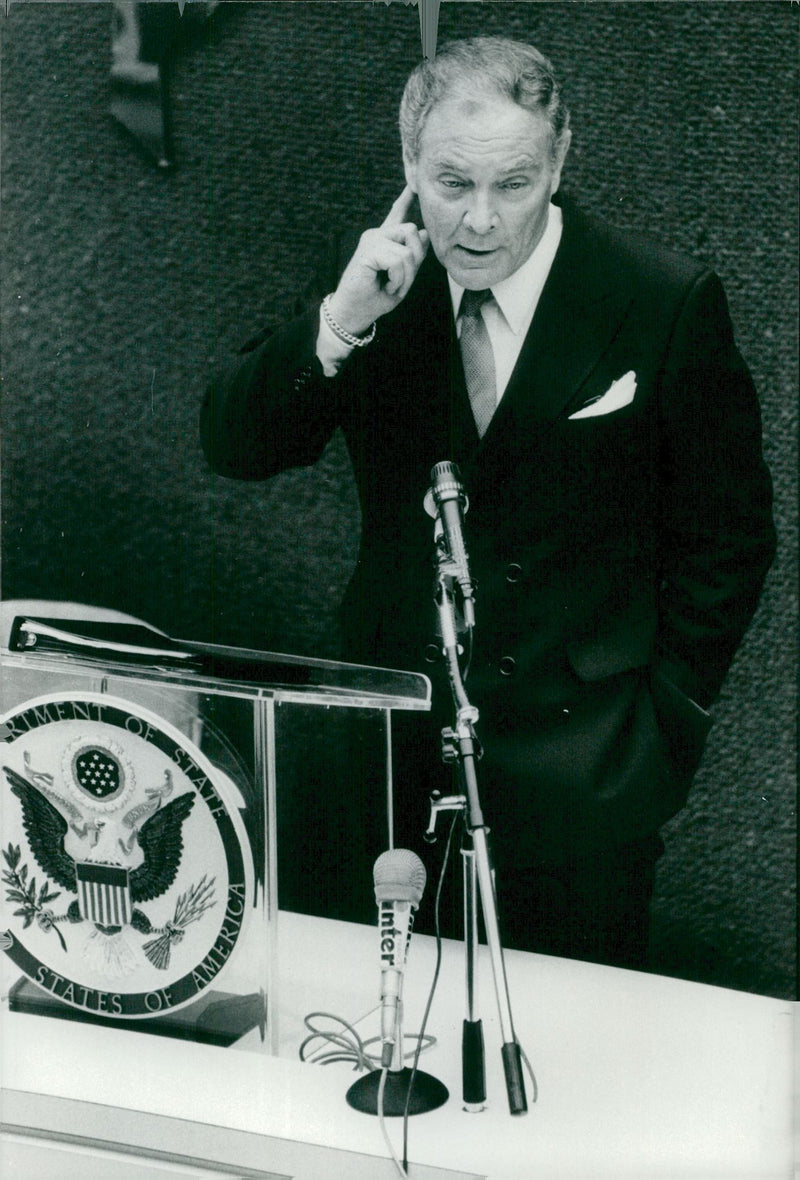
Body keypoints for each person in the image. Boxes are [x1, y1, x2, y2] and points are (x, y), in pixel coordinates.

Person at [201, 37, 775, 969]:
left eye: (513, 185)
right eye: (450, 183)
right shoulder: (376, 280)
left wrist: (659, 722)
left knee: (559, 1073)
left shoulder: (659, 300)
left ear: (560, 160)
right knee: (379, 1050)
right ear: (408, 166)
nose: (478, 221)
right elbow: (232, 444)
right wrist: (341, 323)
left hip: (582, 780)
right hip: (388, 762)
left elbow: (732, 538)